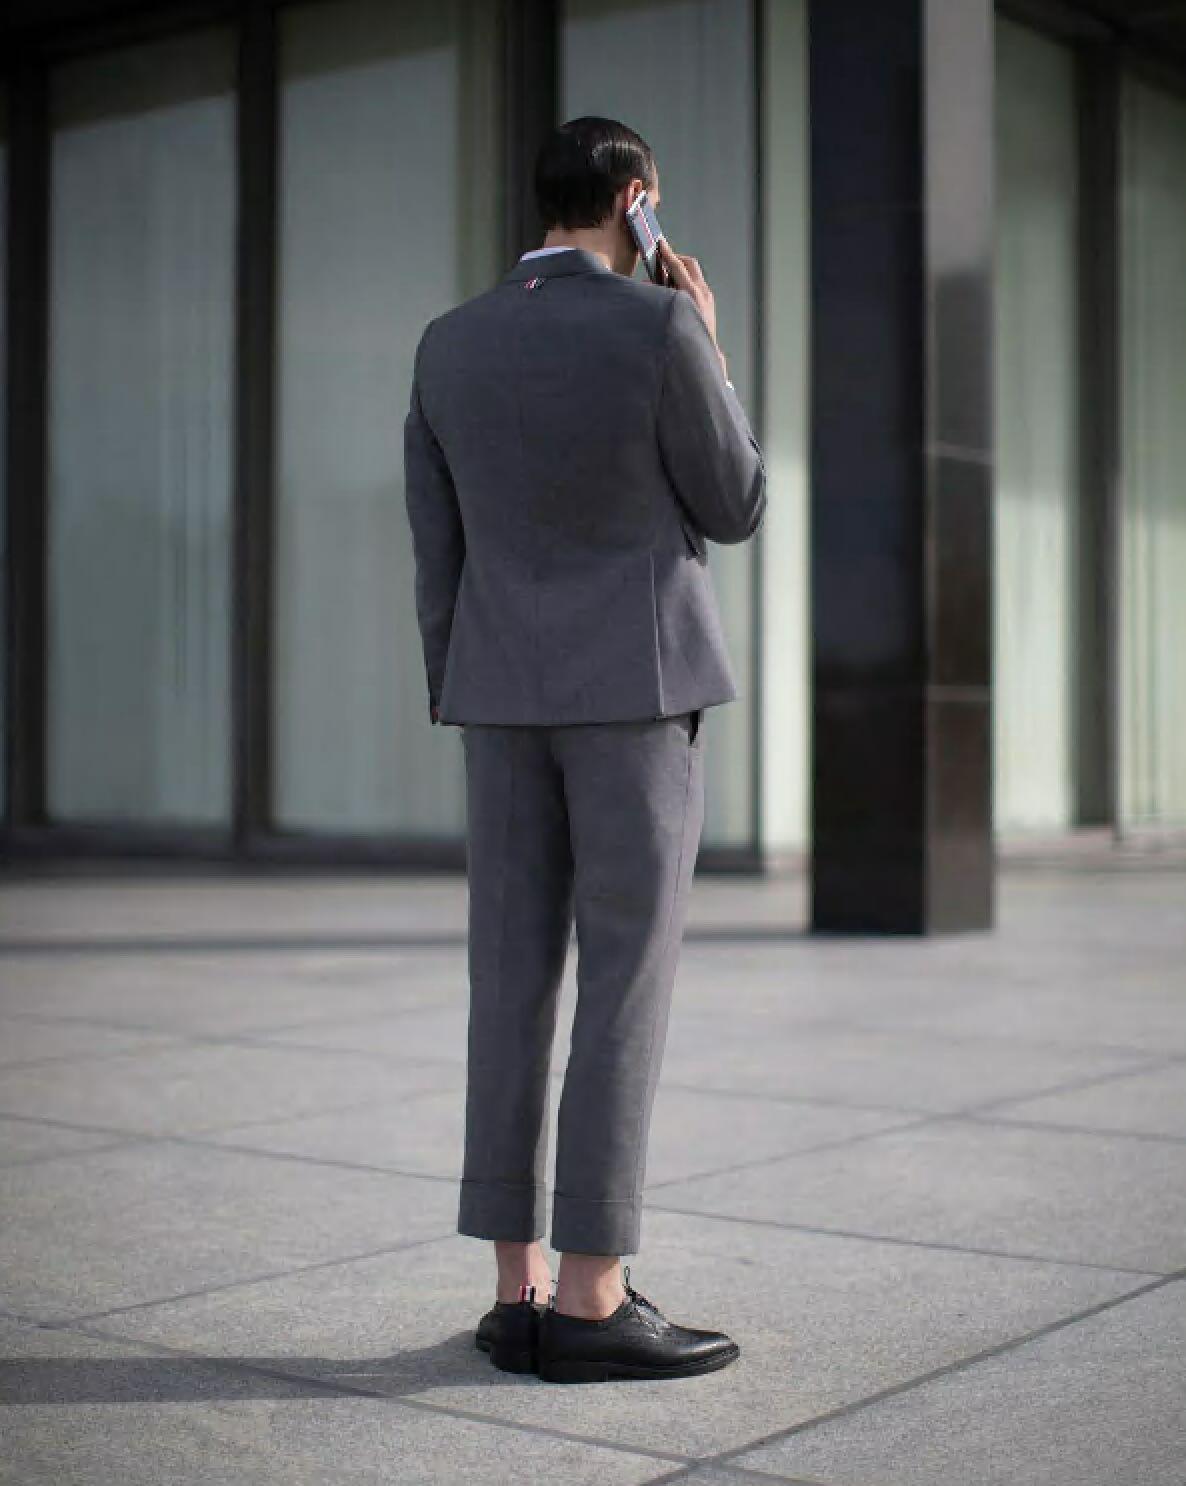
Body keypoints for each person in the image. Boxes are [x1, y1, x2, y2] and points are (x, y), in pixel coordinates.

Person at [402, 116, 766, 1383]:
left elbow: (434, 554)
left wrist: (466, 685)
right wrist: (708, 342)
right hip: (635, 699)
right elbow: (735, 502)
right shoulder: (661, 329)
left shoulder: (448, 343)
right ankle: (591, 1299)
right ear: (637, 199)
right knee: (622, 984)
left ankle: (512, 1293)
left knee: (507, 980)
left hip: (495, 698)